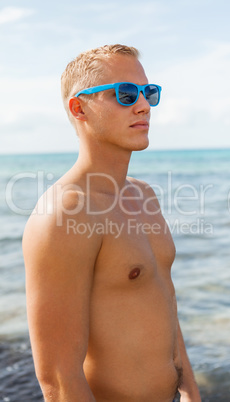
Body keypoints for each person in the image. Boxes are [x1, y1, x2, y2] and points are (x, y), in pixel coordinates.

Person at [23, 44, 201, 402]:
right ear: (79, 108)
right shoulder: (64, 214)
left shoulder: (144, 196)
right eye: (124, 94)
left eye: (149, 93)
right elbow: (59, 381)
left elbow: (165, 304)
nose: (143, 105)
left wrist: (190, 392)